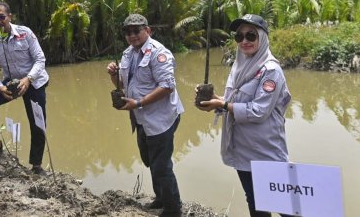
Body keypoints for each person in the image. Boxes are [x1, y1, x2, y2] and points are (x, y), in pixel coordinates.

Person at [196, 14, 292, 217]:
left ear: (262, 38)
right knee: (255, 201)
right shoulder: (239, 65)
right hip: (242, 148)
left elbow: (259, 111)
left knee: (284, 204)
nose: (244, 41)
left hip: (265, 151)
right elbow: (234, 102)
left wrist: (223, 103)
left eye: (251, 35)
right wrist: (215, 100)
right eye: (239, 37)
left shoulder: (271, 71)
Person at [106, 14, 184, 217]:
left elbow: (167, 86)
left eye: (136, 30)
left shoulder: (159, 53)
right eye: (127, 32)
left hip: (160, 118)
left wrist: (139, 103)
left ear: (147, 30)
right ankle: (160, 198)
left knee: (161, 165)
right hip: (140, 117)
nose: (132, 35)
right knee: (150, 160)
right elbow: (124, 86)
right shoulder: (127, 54)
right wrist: (114, 75)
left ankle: (173, 208)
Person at [0, 1, 50, 175]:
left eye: (1, 17)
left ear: (9, 17)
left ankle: (36, 165)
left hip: (34, 82)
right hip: (10, 82)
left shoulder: (25, 33)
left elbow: (40, 59)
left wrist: (28, 79)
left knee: (38, 123)